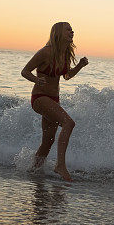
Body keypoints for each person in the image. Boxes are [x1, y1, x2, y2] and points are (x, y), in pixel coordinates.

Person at [21, 21, 89, 181]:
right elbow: (25, 71)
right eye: (68, 30)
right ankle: (60, 165)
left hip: (54, 99)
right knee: (68, 123)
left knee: (47, 142)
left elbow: (66, 76)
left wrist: (79, 65)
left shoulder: (65, 54)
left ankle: (33, 172)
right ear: (58, 33)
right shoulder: (45, 52)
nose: (72, 32)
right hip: (40, 98)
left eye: (72, 30)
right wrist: (36, 80)